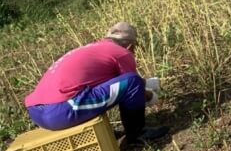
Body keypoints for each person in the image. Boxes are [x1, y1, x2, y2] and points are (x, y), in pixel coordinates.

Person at [24, 22, 169, 143]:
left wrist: (148, 85)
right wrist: (153, 97)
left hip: (37, 113)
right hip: (60, 112)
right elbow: (133, 87)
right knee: (132, 81)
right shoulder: (122, 52)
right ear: (130, 46)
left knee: (125, 85)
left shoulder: (93, 49)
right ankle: (137, 134)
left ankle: (108, 134)